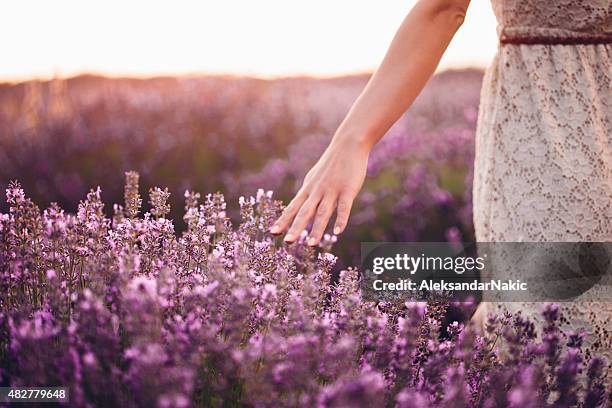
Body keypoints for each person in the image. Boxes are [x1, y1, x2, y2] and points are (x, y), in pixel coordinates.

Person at [270, 0, 611, 368]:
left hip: (547, 133)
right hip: (555, 126)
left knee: (554, 334)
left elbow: (444, 9)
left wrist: (353, 138)